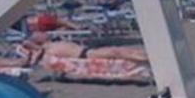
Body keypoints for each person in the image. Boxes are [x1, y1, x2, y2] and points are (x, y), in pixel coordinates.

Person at [20, 32, 149, 63]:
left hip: (87, 51)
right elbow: (25, 43)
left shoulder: (52, 43)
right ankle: (146, 59)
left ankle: (147, 55)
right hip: (86, 55)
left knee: (119, 50)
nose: (43, 33)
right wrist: (31, 45)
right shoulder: (45, 50)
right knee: (117, 52)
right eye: (39, 34)